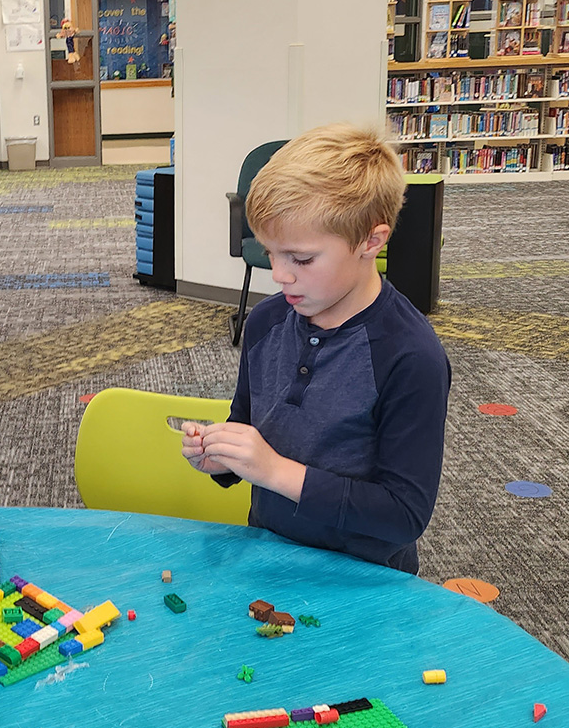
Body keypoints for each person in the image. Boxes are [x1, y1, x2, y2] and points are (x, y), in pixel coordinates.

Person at [182, 125, 450, 573]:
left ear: (371, 241)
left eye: (301, 259)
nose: (280, 275)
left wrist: (274, 471)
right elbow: (248, 422)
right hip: (269, 554)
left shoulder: (411, 356)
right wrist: (223, 457)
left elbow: (404, 515)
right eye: (271, 254)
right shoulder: (266, 322)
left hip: (362, 579)